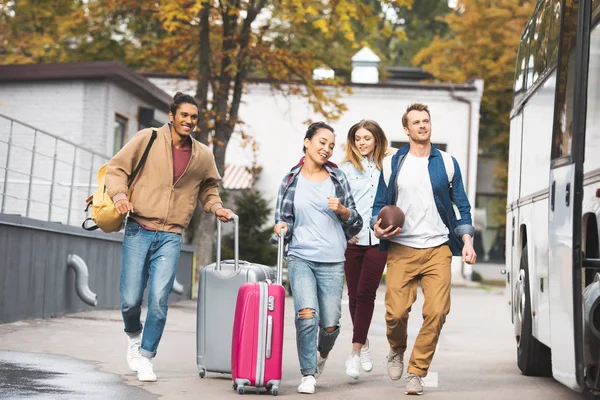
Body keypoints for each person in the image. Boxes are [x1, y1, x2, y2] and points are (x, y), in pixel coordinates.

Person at [105, 92, 233, 382]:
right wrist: (120, 197)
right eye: (184, 115)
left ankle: (147, 356)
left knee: (160, 300)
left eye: (194, 117)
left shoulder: (202, 154)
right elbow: (116, 169)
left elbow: (208, 189)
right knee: (130, 300)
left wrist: (217, 208)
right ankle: (133, 334)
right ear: (172, 115)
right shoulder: (147, 138)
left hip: (172, 235)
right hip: (139, 228)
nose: (189, 121)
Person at [372, 103, 477, 395]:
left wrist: (467, 241)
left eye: (426, 121)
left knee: (437, 311)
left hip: (437, 248)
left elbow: (462, 207)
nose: (422, 125)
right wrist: (377, 226)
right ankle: (396, 348)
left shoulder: (446, 162)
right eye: (416, 122)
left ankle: (417, 371)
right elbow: (379, 206)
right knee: (395, 313)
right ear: (406, 129)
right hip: (402, 247)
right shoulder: (392, 164)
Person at [272, 121, 362, 394]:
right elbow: (282, 219)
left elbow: (356, 223)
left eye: (331, 146)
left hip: (333, 260)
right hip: (300, 257)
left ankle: (322, 354)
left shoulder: (338, 179)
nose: (327, 149)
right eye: (322, 142)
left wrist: (343, 212)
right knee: (306, 314)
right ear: (307, 142)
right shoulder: (290, 180)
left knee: (330, 324)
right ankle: (308, 373)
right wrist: (280, 228)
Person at [339, 120, 394, 379]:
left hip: (379, 239)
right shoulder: (345, 170)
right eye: (357, 138)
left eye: (367, 138)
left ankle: (354, 352)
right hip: (353, 239)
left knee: (365, 293)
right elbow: (339, 204)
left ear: (376, 140)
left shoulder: (388, 165)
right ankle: (364, 344)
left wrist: (391, 151)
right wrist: (344, 231)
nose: (362, 142)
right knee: (353, 295)